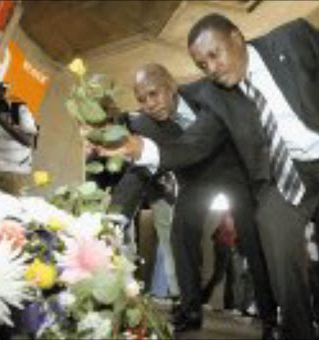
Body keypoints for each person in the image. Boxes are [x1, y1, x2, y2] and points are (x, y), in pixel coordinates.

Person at [102, 14, 319, 339]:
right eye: (202, 64)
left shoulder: (294, 39)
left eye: (215, 54)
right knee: (272, 227)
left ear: (236, 38)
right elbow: (193, 144)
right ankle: (295, 330)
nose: (212, 67)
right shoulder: (218, 94)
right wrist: (137, 149)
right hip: (289, 170)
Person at [105, 64, 277, 336]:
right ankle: (191, 309)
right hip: (194, 181)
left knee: (252, 241)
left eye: (154, 94)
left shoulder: (208, 92)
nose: (149, 104)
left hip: (233, 172)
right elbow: (139, 171)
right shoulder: (146, 125)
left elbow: (218, 137)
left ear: (171, 85)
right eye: (142, 99)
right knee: (180, 235)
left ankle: (270, 317)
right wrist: (115, 216)